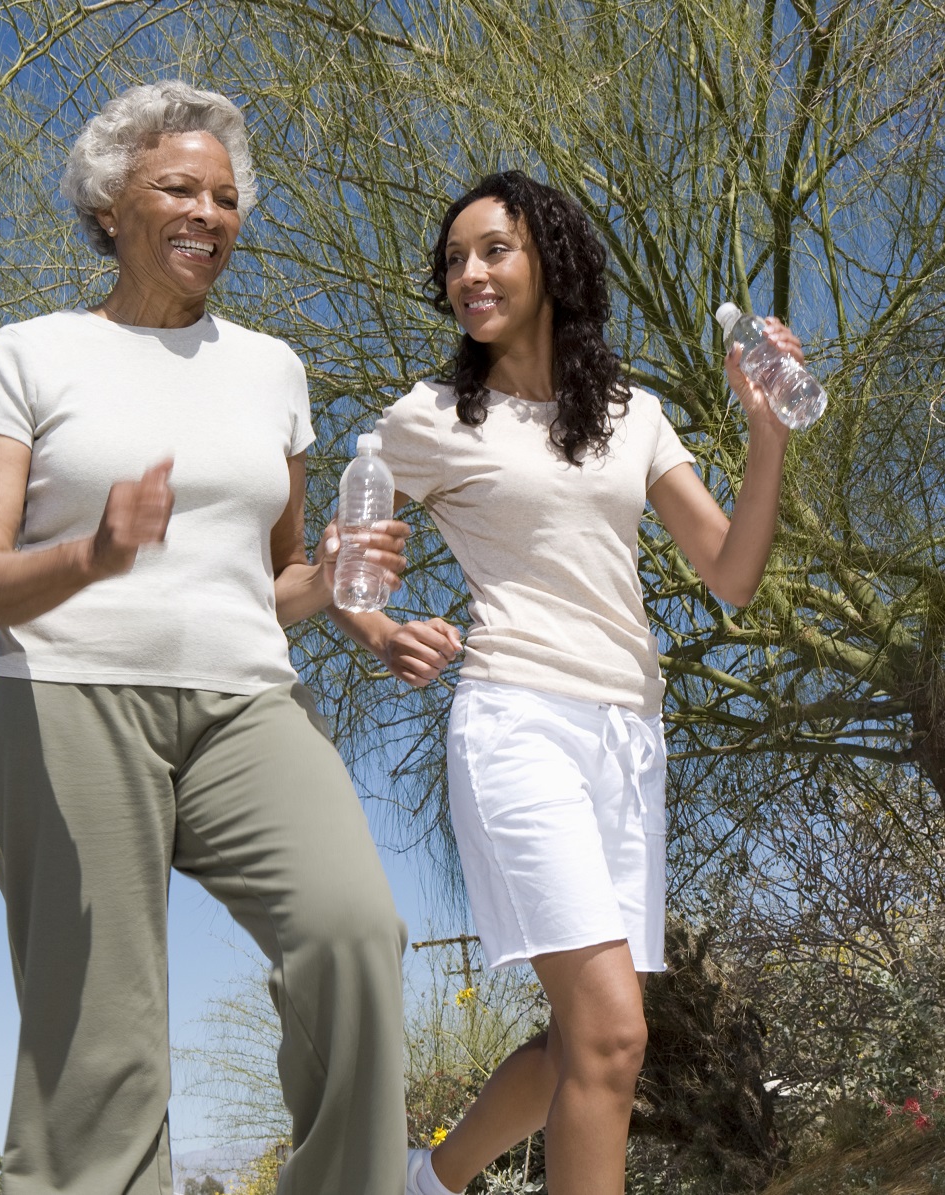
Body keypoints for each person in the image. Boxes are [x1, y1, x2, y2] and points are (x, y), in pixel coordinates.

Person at [0, 80, 411, 1195]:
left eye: (227, 195)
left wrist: (347, 574)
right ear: (111, 206)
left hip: (245, 702)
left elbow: (276, 586)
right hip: (70, 697)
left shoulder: (271, 369)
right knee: (101, 1047)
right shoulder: (31, 353)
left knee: (354, 935)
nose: (210, 211)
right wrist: (90, 557)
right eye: (178, 188)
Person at [332, 171, 800, 1195]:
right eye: (454, 260)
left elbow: (732, 576)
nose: (469, 274)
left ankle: (425, 1180)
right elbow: (341, 551)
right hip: (516, 722)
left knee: (583, 1044)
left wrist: (766, 432)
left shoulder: (637, 416)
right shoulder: (432, 417)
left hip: (630, 737)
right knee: (612, 1034)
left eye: (492, 249)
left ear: (551, 258)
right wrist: (374, 625)